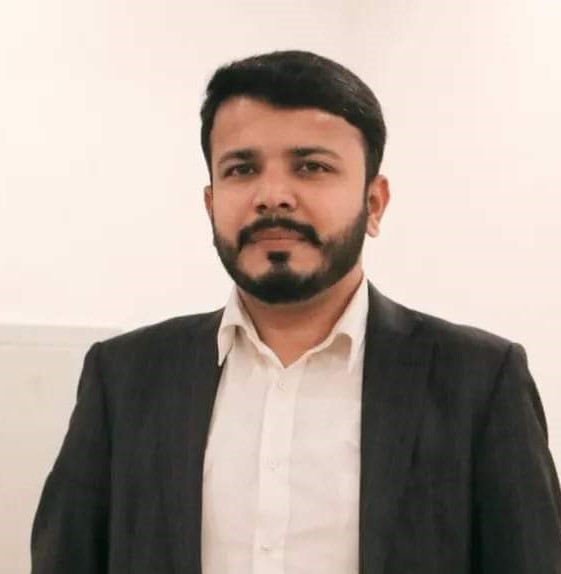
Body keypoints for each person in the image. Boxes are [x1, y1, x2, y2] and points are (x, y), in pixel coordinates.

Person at [31, 50, 561, 574]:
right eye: (242, 169)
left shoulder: (477, 381)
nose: (273, 196)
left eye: (311, 167)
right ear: (211, 203)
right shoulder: (125, 378)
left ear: (374, 203)